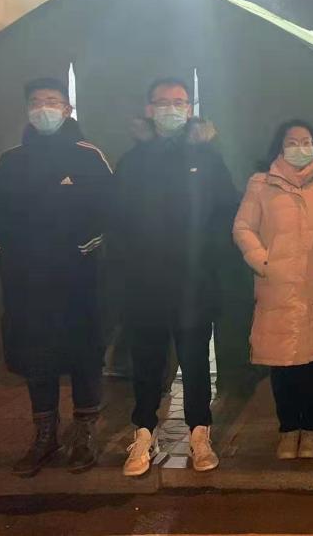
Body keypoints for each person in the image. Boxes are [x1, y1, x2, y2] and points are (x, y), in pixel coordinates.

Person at [0, 78, 112, 477]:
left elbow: (108, 209)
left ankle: (84, 432)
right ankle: (45, 434)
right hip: (25, 283)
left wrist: (81, 249)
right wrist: (4, 253)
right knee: (35, 356)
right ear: (27, 110)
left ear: (67, 109)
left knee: (84, 354)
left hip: (77, 282)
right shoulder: (10, 160)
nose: (44, 109)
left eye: (52, 101)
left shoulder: (88, 156)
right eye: (36, 102)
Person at [112, 77, 239, 477]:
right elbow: (117, 219)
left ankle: (199, 433)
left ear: (189, 109)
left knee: (196, 362)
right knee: (147, 363)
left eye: (180, 102)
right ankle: (143, 433)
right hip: (145, 283)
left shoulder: (208, 158)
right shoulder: (132, 161)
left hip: (193, 283)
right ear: (149, 109)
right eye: (163, 102)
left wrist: (207, 256)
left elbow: (226, 211)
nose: (172, 109)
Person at [233, 120, 313, 461]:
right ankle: (288, 429)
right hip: (276, 287)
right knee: (281, 365)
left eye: (306, 141)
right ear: (279, 147)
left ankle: (311, 430)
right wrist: (264, 262)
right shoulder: (261, 184)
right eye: (292, 142)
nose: (300, 147)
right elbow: (243, 227)